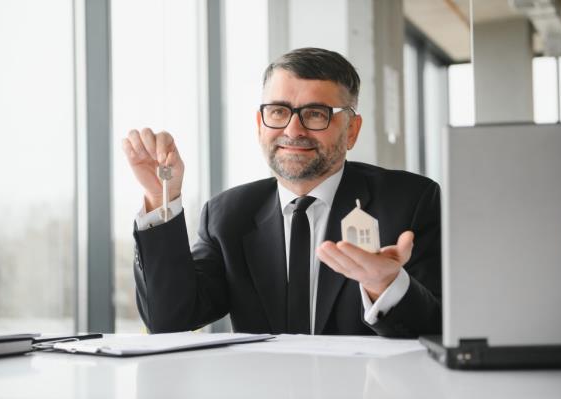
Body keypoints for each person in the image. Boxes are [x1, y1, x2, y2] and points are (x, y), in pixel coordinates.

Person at [122, 47, 441, 337]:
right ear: (260, 124)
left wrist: (384, 284)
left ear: (351, 131)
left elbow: (439, 328)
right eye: (278, 112)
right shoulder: (228, 214)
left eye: (316, 113)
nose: (293, 130)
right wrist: (159, 197)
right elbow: (170, 320)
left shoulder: (411, 202)